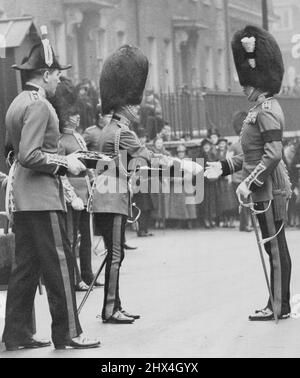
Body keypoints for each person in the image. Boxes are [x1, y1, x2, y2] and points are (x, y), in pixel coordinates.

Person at [2, 28, 100, 350]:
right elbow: (30, 155)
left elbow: (11, 153)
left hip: (24, 200)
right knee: (59, 266)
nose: (59, 81)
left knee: (25, 271)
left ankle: (15, 333)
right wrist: (65, 163)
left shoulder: (17, 103)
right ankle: (69, 332)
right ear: (45, 75)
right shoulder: (41, 106)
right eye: (56, 75)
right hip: (43, 199)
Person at [205, 25, 292, 322]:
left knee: (274, 247)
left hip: (267, 188)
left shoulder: (266, 110)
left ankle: (278, 305)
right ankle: (278, 301)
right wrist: (226, 166)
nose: (243, 86)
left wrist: (249, 183)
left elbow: (273, 154)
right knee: (273, 246)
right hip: (263, 186)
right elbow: (252, 154)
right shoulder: (259, 109)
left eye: (247, 81)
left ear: (258, 80)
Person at [90, 45, 172, 324]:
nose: (138, 109)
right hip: (112, 199)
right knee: (115, 256)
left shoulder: (109, 130)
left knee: (116, 254)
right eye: (135, 104)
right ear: (126, 104)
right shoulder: (123, 133)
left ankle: (115, 305)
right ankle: (110, 309)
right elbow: (147, 157)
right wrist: (175, 164)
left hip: (106, 197)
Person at [56, 79, 104, 291]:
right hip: (72, 191)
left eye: (77, 114)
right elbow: (62, 171)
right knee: (72, 237)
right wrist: (72, 195)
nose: (76, 117)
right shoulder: (60, 140)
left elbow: (86, 161)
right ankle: (76, 278)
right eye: (72, 114)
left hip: (84, 187)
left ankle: (87, 273)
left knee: (86, 236)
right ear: (64, 116)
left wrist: (93, 181)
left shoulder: (77, 135)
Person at [230, 111, 252, 232]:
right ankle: (245, 224)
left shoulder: (251, 144)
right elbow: (229, 161)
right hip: (238, 179)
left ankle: (245, 224)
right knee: (243, 203)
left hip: (249, 177)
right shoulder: (233, 146)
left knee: (249, 202)